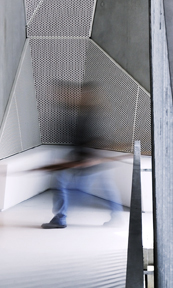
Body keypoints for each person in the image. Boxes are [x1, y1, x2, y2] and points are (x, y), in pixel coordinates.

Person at [42, 82, 123, 229]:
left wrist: (88, 158)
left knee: (66, 184)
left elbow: (96, 140)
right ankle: (116, 216)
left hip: (89, 161)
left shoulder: (93, 114)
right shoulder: (83, 112)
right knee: (104, 187)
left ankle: (60, 218)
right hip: (84, 159)